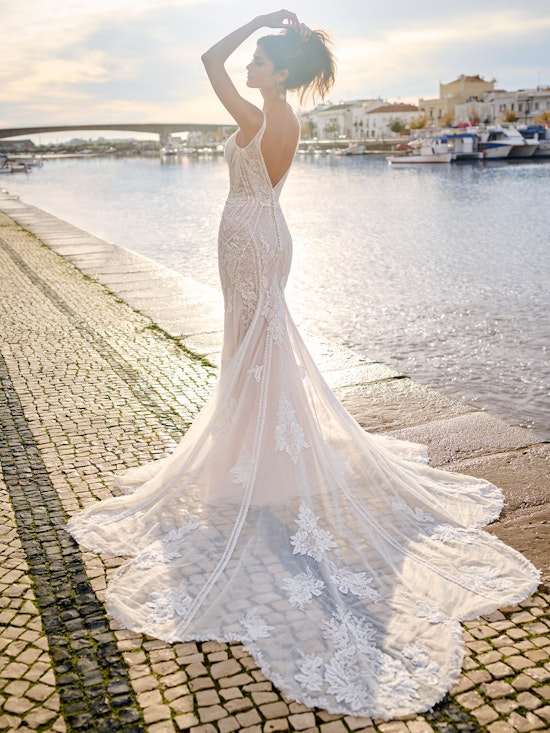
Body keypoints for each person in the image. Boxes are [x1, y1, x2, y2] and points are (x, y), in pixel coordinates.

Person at [67, 10, 539, 720]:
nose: (250, 69)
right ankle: (258, 456)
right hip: (262, 235)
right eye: (254, 62)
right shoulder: (279, 118)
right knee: (261, 348)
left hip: (251, 239)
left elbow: (205, 59)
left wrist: (258, 20)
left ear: (280, 73)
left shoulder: (265, 114)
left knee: (254, 350)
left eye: (260, 61)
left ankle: (256, 462)